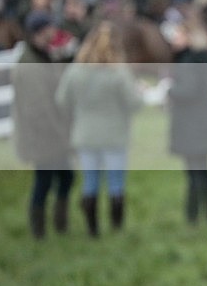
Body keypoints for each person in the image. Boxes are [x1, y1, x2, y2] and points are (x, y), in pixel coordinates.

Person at [56, 21, 142, 237]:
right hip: (114, 135)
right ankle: (116, 227)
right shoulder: (119, 72)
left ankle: (92, 230)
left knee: (90, 182)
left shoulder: (76, 71)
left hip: (85, 134)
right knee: (115, 182)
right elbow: (134, 104)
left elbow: (61, 100)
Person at [11, 11, 74, 239]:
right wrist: (62, 135)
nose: (54, 31)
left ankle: (60, 224)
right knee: (44, 181)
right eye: (51, 27)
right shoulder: (30, 63)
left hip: (52, 134)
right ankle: (39, 231)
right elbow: (39, 108)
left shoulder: (42, 55)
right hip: (43, 136)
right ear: (41, 31)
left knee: (65, 177)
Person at [164, 6, 207, 223]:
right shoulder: (201, 58)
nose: (174, 39)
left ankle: (193, 216)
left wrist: (170, 90)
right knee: (204, 171)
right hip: (202, 122)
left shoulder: (188, 61)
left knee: (194, 173)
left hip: (190, 125)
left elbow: (187, 90)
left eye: (178, 34)